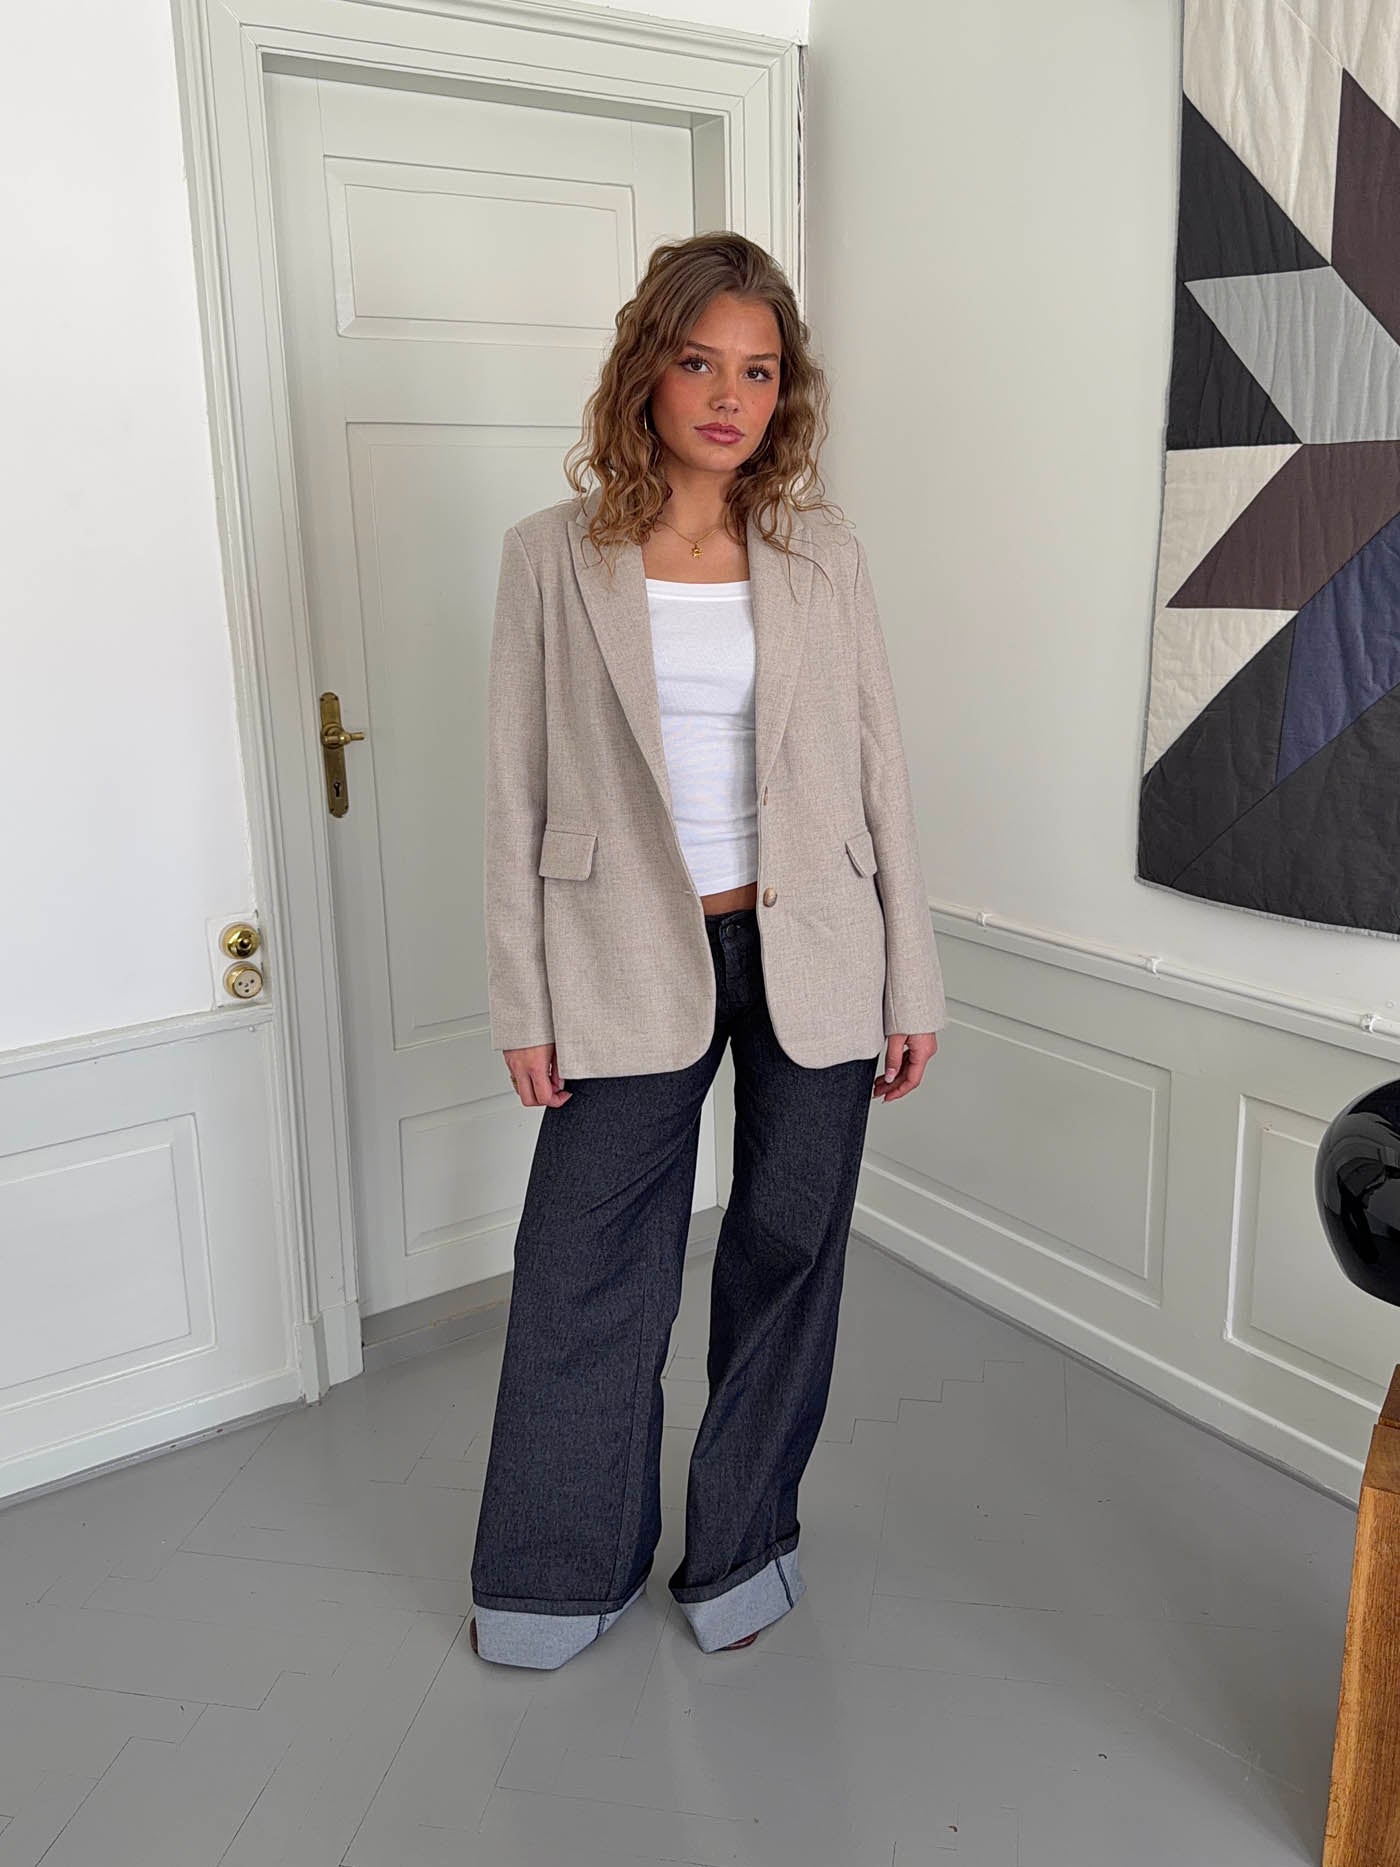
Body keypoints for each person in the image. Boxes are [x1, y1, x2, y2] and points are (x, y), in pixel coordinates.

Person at [469, 231, 947, 1669]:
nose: (731, 397)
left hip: (817, 947)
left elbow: (879, 769)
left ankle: (742, 1549)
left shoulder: (822, 554)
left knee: (789, 1253)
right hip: (623, 948)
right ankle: (557, 1576)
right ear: (648, 371)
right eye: (700, 362)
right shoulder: (551, 556)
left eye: (760, 370)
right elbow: (514, 789)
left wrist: (911, 976)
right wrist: (522, 999)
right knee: (582, 1267)